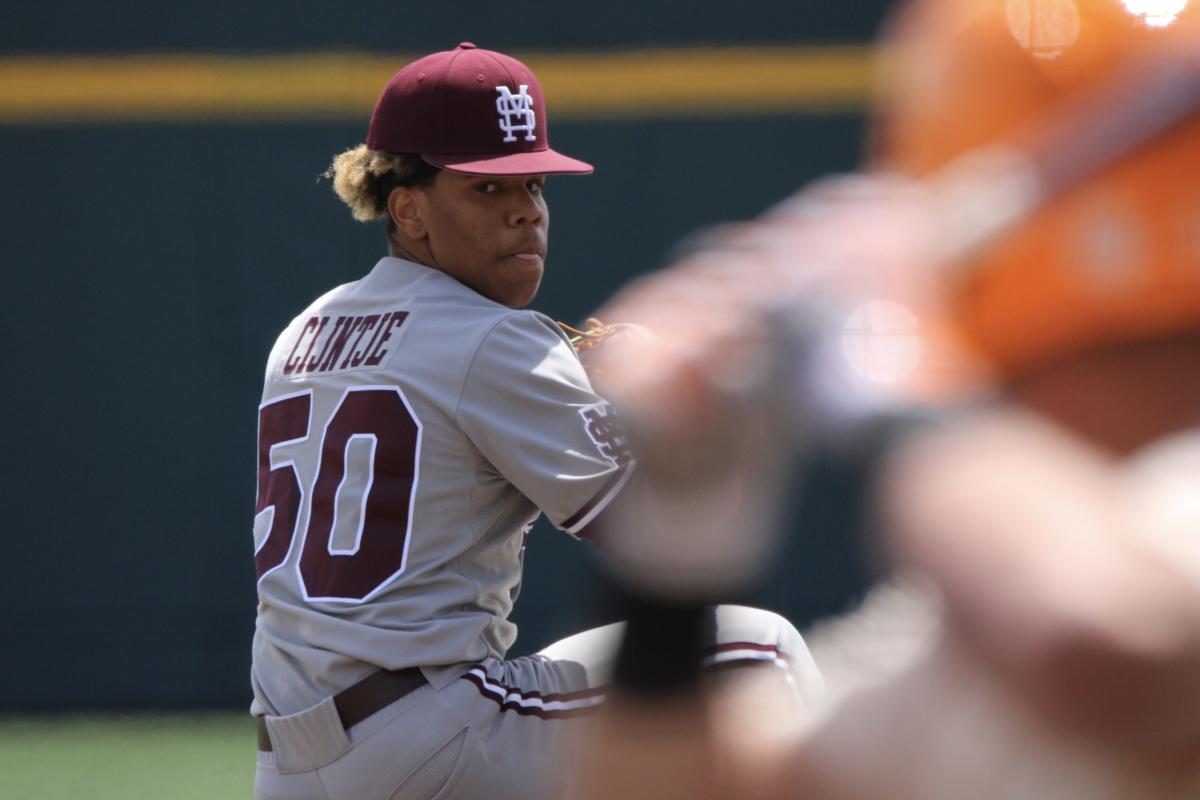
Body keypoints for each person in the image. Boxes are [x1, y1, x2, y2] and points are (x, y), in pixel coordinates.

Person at [571, 1, 1200, 797]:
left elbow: (1113, 644)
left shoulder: (1077, 589)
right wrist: (677, 556)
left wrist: (879, 350)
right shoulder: (984, 611)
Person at [248, 43, 822, 800]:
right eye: (487, 188)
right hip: (433, 736)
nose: (525, 208)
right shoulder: (492, 338)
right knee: (761, 653)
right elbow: (657, 533)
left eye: (534, 182)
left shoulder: (306, 329)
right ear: (408, 208)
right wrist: (672, 412)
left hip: (286, 762)